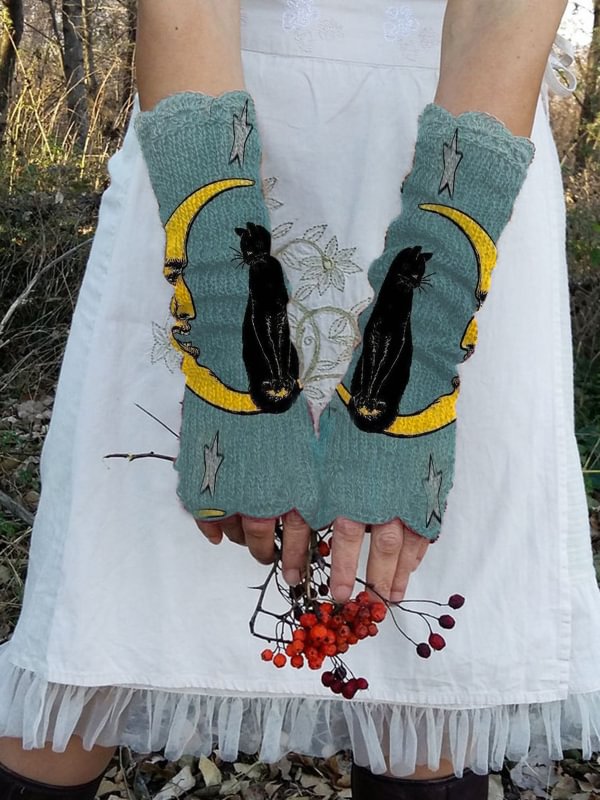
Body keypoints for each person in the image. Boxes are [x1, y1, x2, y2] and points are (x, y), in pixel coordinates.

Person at [1, 1, 599, 798]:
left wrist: (420, 344)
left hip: (469, 168)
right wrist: (229, 323)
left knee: (421, 686)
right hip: (203, 148)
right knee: (93, 634)